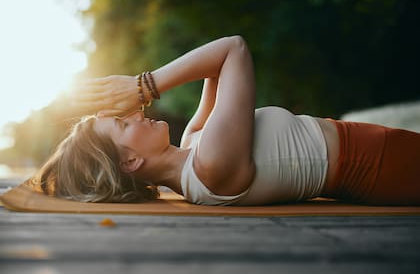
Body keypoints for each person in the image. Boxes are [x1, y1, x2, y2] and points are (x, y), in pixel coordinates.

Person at [31, 36, 420, 206]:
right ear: (131, 162)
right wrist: (144, 86)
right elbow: (233, 49)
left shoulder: (194, 145)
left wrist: (142, 88)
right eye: (122, 124)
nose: (135, 112)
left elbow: (214, 72)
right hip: (377, 164)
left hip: (373, 147)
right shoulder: (211, 165)